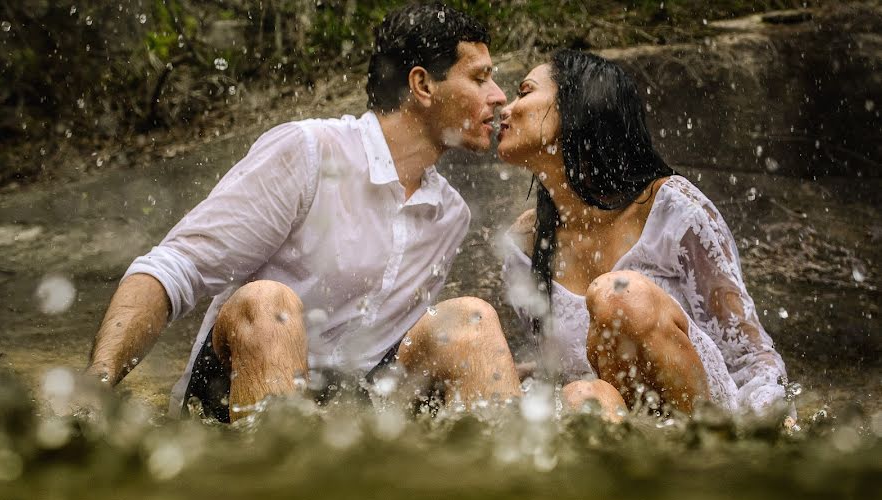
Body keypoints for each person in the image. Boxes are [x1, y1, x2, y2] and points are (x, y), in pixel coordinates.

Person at [84, 3, 522, 422]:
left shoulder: (449, 216)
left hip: (355, 406)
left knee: (471, 320)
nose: (498, 96)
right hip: (235, 390)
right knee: (270, 303)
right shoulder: (310, 151)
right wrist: (96, 385)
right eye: (481, 78)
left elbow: (403, 349)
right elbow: (174, 268)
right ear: (422, 85)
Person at [497, 49, 789, 421]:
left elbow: (752, 356)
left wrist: (775, 432)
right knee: (583, 395)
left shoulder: (671, 209)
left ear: (575, 106)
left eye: (525, 91)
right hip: (617, 430)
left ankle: (710, 461)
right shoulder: (524, 246)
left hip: (707, 420)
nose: (506, 107)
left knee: (618, 296)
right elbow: (571, 369)